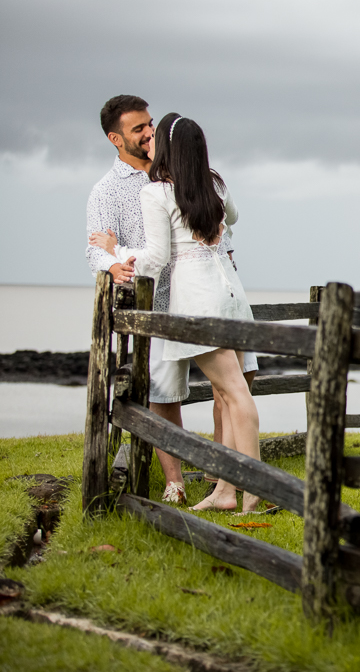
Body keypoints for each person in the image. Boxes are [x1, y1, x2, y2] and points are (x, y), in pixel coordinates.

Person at [86, 96, 258, 505]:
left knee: (234, 392)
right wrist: (111, 259)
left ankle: (237, 486)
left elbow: (158, 256)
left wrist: (122, 252)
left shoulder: (163, 188)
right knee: (173, 394)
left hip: (194, 298)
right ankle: (194, 484)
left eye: (151, 127)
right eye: (137, 129)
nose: (147, 133)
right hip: (195, 298)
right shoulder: (113, 191)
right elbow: (229, 219)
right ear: (116, 138)